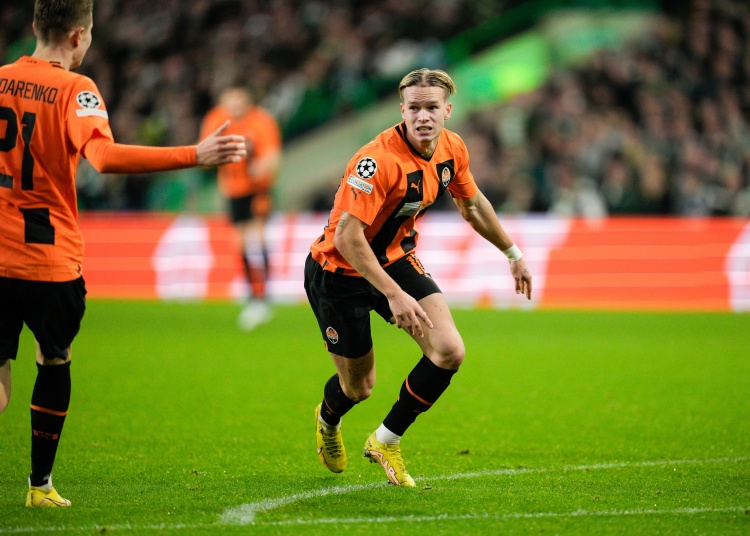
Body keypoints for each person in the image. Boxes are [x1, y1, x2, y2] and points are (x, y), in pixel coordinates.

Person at [0, 0, 246, 507]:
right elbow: (105, 158)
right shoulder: (76, 89)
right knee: (54, 358)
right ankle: (40, 487)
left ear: (35, 26)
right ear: (78, 36)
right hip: (48, 258)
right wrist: (194, 155)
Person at [304, 68, 532, 487]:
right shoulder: (378, 161)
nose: (423, 116)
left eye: (431, 107)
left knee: (449, 350)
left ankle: (385, 440)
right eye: (414, 108)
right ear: (402, 111)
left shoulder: (452, 148)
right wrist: (394, 295)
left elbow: (472, 205)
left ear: (448, 110)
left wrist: (512, 252)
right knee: (359, 388)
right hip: (339, 271)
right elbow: (347, 237)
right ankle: (328, 419)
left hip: (395, 259)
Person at [200, 84, 282, 331]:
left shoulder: (261, 121)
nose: (234, 104)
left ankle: (265, 295)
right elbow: (204, 155)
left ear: (247, 100)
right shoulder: (216, 119)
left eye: (238, 98)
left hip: (257, 189)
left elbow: (273, 157)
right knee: (239, 243)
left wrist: (261, 166)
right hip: (233, 190)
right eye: (230, 99)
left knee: (258, 237)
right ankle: (252, 293)